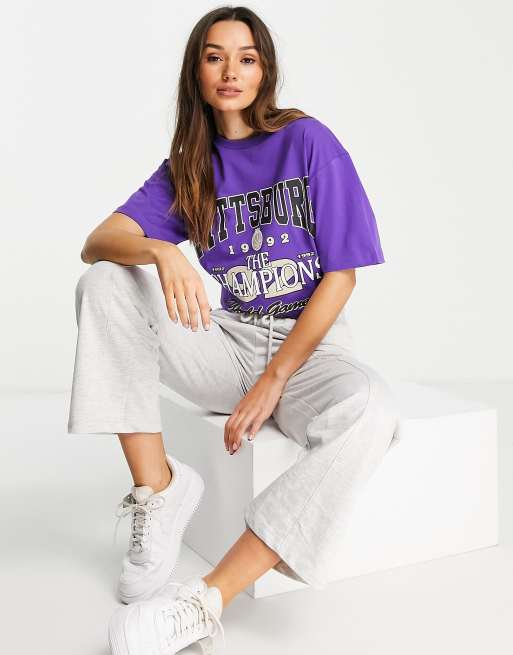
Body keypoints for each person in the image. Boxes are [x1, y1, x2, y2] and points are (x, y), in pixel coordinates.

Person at [67, 6, 402, 654]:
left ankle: (205, 598)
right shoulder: (189, 165)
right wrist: (160, 250)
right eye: (214, 56)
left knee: (372, 411)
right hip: (227, 340)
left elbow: (341, 276)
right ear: (196, 71)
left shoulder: (307, 142)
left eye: (246, 58)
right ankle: (158, 489)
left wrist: (276, 378)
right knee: (105, 281)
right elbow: (96, 242)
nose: (230, 71)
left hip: (309, 348)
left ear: (264, 70)